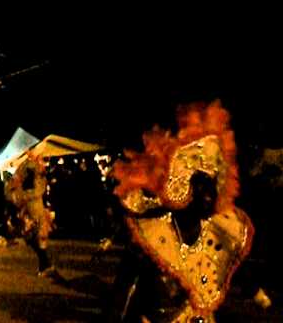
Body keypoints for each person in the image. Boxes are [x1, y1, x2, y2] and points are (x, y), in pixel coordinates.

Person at [106, 101, 254, 322]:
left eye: (214, 186)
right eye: (202, 186)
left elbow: (228, 263)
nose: (211, 196)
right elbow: (120, 301)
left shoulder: (217, 228)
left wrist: (253, 289)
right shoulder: (151, 238)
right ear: (184, 189)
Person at [4, 154, 58, 278]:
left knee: (37, 237)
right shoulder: (27, 171)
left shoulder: (31, 175)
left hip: (34, 210)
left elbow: (15, 191)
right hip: (30, 210)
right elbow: (15, 192)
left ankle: (45, 265)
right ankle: (45, 264)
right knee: (33, 237)